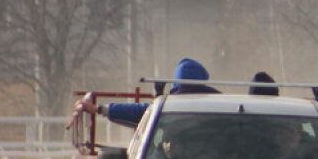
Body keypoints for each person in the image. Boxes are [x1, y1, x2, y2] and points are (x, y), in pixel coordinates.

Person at [74, 58, 219, 128]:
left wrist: (99, 109)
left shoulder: (168, 108)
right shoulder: (222, 106)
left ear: (176, 82)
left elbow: (137, 111)